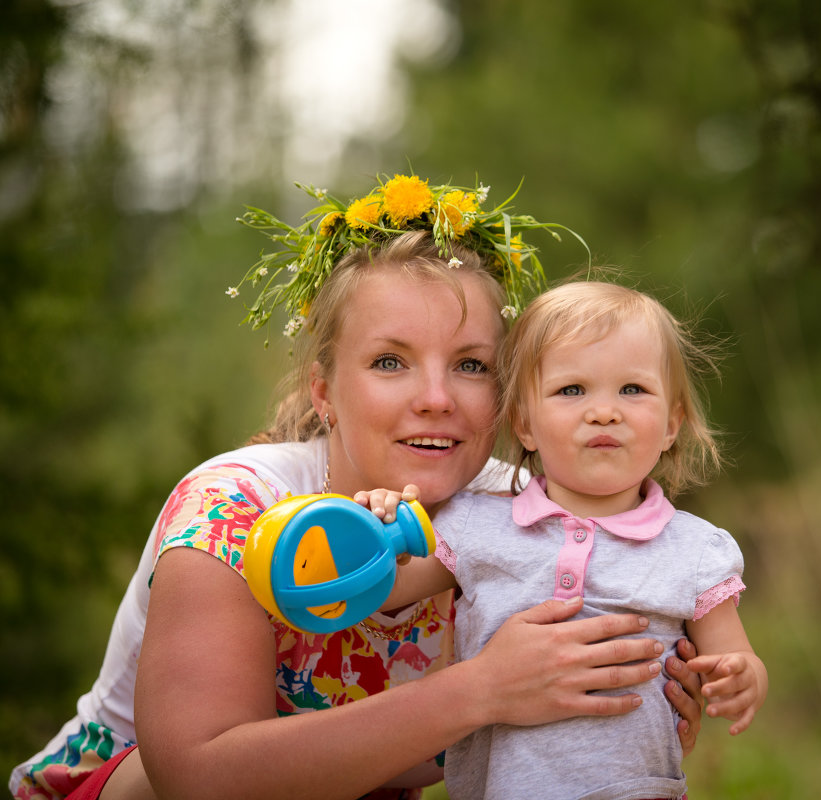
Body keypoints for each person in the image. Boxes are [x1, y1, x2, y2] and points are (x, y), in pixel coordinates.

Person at [10, 175, 706, 800]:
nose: (436, 397)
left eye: (470, 365)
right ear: (324, 389)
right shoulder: (237, 506)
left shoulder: (526, 517)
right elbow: (197, 776)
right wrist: (482, 690)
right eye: (389, 362)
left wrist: (634, 706)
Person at [372, 281, 768, 799]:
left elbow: (735, 656)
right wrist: (378, 527)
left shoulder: (693, 549)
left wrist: (741, 677)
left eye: (633, 390)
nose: (604, 411)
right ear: (525, 423)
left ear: (671, 424)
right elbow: (383, 588)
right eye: (572, 390)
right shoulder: (474, 525)